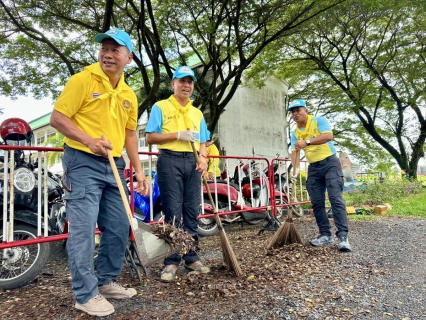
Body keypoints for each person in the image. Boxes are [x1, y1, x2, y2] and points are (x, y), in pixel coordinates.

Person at [50, 27, 148, 317]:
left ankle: (104, 281)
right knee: (82, 229)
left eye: (115, 49)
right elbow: (58, 118)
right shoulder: (82, 80)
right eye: (104, 48)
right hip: (82, 162)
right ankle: (85, 294)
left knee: (119, 225)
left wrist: (139, 171)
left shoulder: (129, 93)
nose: (107, 54)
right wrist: (89, 140)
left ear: (128, 57)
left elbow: (131, 135)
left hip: (115, 166)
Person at [145, 66, 211, 282]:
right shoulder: (160, 107)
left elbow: (203, 141)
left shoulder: (197, 112)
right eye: (182, 81)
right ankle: (171, 261)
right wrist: (177, 135)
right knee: (173, 212)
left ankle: (191, 257)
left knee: (192, 210)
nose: (186, 85)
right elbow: (151, 138)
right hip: (169, 160)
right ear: (173, 84)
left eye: (190, 82)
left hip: (192, 163)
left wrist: (203, 158)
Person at [288, 99, 351, 252]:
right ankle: (325, 235)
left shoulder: (318, 121)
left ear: (306, 111)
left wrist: (307, 142)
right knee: (316, 203)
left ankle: (343, 237)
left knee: (336, 199)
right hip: (314, 168)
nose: (295, 113)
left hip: (330, 163)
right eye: (292, 111)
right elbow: (294, 152)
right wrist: (293, 172)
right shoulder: (295, 133)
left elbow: (329, 136)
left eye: (298, 110)